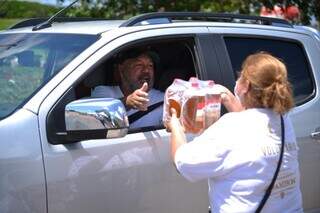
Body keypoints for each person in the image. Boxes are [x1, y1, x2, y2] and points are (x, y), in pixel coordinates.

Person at [167, 52, 303, 212]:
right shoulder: (283, 120)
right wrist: (227, 97)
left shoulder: (230, 126)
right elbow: (251, 128)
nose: (237, 80)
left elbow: (182, 163)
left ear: (245, 86)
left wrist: (175, 124)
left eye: (240, 76)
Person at [92, 48, 164, 128]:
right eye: (139, 65)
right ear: (121, 70)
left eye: (150, 65)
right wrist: (126, 103)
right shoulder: (103, 92)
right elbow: (96, 119)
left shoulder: (162, 99)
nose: (146, 70)